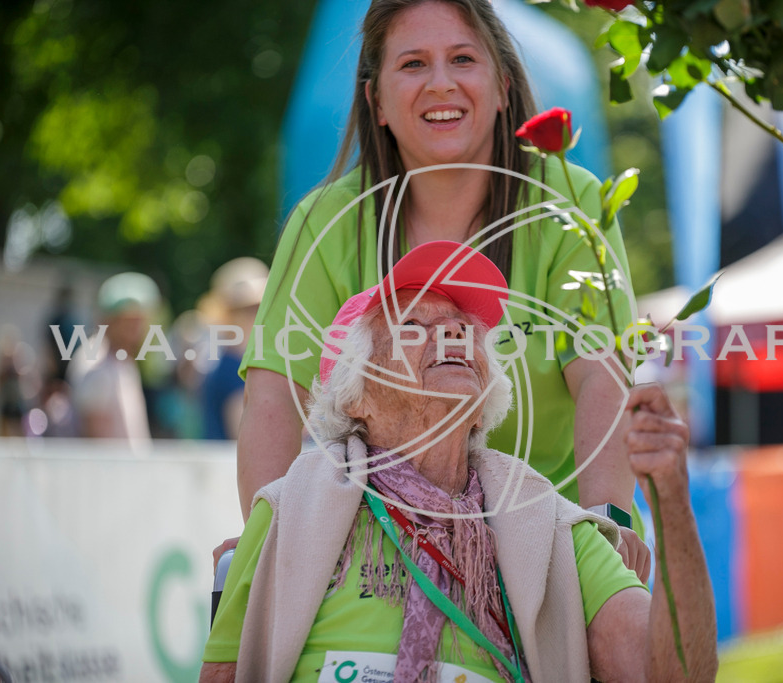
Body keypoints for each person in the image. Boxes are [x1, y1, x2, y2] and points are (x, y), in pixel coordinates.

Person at [237, 0, 646, 559]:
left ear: (503, 87)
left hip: (556, 537)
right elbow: (274, 399)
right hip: (378, 547)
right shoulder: (325, 221)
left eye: (462, 58)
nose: (441, 83)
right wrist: (266, 545)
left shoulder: (569, 202)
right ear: (375, 100)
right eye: (412, 64)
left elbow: (604, 377)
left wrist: (606, 525)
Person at [201, 241, 717, 683]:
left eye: (462, 327)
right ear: (357, 395)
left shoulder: (554, 528)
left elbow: (674, 672)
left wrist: (671, 501)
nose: (451, 335)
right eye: (413, 326)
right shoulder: (288, 511)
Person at [67, 271, 159, 444]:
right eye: (129, 320)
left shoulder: (123, 361)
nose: (137, 328)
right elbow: (96, 443)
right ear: (107, 320)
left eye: (140, 319)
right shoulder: (94, 366)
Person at [200, 257, 269, 440]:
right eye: (250, 309)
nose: (258, 315)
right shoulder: (235, 369)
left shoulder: (226, 363)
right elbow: (248, 437)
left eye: (260, 308)